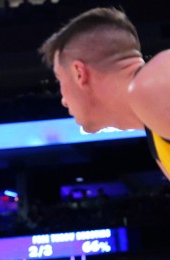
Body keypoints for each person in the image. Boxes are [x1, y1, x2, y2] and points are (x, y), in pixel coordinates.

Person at [40, 7, 170, 181]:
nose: (63, 100)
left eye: (59, 80)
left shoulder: (152, 85)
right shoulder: (156, 139)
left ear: (79, 73)